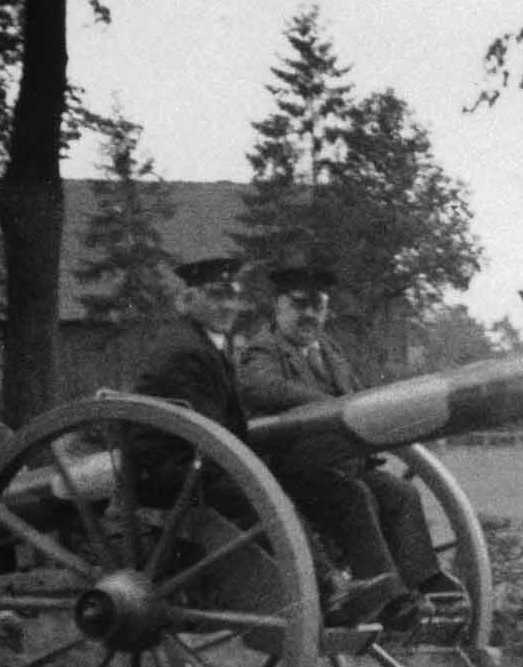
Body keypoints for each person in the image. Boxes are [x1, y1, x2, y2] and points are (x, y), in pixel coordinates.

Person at [130, 257, 399, 626]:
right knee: (270, 496)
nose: (227, 305)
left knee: (272, 487)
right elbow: (206, 429)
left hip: (197, 460)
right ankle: (330, 586)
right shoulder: (186, 350)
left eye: (232, 295)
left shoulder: (208, 343)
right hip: (169, 472)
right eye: (215, 295)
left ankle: (334, 586)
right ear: (188, 299)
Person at [239, 263, 462, 630]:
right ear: (278, 307)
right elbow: (263, 389)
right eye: (299, 304)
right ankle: (388, 599)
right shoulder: (262, 350)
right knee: (353, 496)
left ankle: (425, 580)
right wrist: (331, 406)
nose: (309, 314)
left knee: (401, 492)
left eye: (318, 305)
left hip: (340, 466)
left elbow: (360, 397)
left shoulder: (330, 351)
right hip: (287, 474)